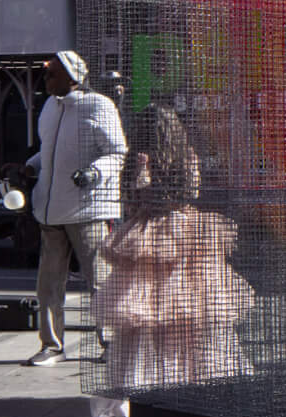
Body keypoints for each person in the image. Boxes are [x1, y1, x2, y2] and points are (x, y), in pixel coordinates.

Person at [96, 107, 254, 392]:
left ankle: (142, 381)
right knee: (195, 312)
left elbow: (131, 199)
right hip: (188, 227)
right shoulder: (187, 156)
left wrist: (144, 183)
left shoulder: (138, 159)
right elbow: (192, 192)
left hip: (148, 231)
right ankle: (196, 379)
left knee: (147, 313)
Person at [26, 52, 126, 367]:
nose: (46, 80)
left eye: (52, 74)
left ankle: (110, 343)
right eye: (46, 74)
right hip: (51, 210)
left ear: (73, 76)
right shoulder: (49, 109)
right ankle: (52, 345)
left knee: (99, 281)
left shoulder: (98, 105)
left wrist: (93, 174)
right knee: (48, 285)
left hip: (89, 210)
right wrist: (29, 167)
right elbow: (49, 154)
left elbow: (117, 152)